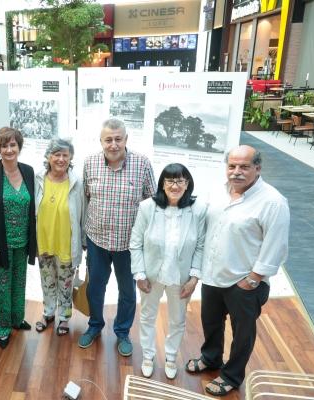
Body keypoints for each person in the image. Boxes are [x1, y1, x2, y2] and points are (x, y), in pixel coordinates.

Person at [186, 145, 289, 396]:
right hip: (213, 274)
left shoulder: (273, 201)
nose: (236, 172)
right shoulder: (219, 192)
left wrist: (254, 279)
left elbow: (276, 245)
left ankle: (231, 375)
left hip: (244, 282)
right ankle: (211, 358)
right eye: (232, 166)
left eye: (244, 166)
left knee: (243, 333)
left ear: (257, 168)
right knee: (211, 322)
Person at [78, 118, 156, 357]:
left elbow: (152, 202)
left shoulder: (142, 164)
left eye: (118, 139)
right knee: (95, 289)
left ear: (126, 139)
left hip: (128, 244)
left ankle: (122, 331)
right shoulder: (90, 163)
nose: (113, 144)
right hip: (97, 240)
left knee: (127, 291)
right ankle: (95, 325)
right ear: (101, 141)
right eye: (108, 140)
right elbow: (86, 198)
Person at [130, 163, 206, 379]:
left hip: (180, 278)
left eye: (180, 180)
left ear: (187, 183)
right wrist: (140, 274)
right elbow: (135, 243)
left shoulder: (198, 209)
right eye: (170, 180)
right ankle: (148, 356)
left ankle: (171, 357)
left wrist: (194, 277)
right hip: (151, 276)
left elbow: (200, 245)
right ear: (162, 183)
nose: (175, 185)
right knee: (147, 316)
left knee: (178, 319)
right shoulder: (147, 207)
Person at [0, 127, 36, 349]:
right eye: (4, 145)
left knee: (19, 282)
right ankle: (1, 328)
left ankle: (15, 318)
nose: (9, 149)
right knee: (1, 285)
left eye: (13, 145)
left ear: (19, 147)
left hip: (23, 241)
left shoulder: (28, 171)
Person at [34, 139, 85, 336]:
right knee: (47, 280)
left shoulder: (76, 182)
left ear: (70, 157)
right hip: (44, 241)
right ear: (48, 157)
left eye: (65, 155)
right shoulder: (38, 178)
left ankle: (64, 317)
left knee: (65, 282)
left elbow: (83, 212)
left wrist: (83, 240)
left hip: (66, 243)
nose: (61, 159)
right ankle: (48, 313)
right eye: (57, 154)